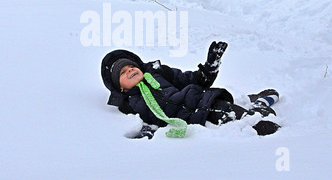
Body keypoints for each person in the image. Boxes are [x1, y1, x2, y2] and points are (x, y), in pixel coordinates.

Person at [101, 42, 280, 139]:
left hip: (201, 101)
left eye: (131, 67)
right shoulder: (129, 104)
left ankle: (259, 107)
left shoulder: (159, 73)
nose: (130, 70)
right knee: (233, 120)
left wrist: (209, 68)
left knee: (243, 118)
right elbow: (141, 121)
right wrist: (145, 131)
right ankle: (256, 108)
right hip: (188, 119)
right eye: (123, 73)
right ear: (121, 88)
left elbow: (193, 80)